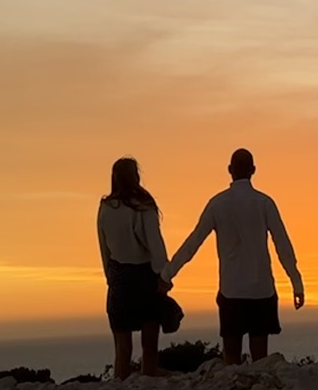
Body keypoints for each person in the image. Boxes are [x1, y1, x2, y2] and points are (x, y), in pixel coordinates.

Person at [164, 148, 304, 365]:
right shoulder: (264, 203)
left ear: (229, 170)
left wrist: (167, 274)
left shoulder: (217, 203)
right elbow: (283, 246)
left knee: (231, 359)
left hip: (231, 291)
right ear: (254, 170)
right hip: (261, 290)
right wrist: (296, 282)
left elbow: (193, 243)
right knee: (260, 360)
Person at [97, 157, 175, 379]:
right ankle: (147, 381)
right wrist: (165, 275)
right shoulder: (144, 206)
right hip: (145, 277)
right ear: (136, 177)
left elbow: (104, 250)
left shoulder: (105, 208)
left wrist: (110, 278)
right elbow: (155, 244)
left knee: (122, 349)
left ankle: (120, 384)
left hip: (118, 277)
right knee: (149, 345)